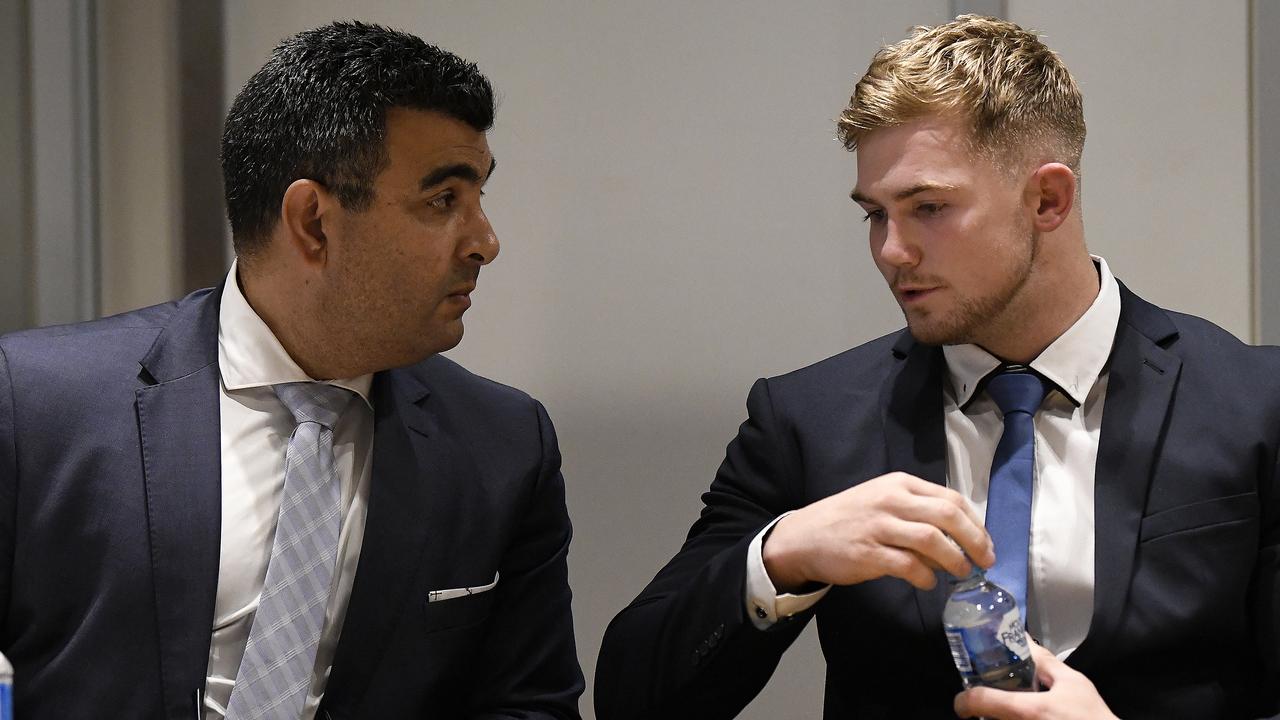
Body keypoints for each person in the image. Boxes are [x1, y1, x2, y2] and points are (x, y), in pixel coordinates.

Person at [595, 15, 1278, 720]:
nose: (891, 251)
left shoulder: (1257, 404)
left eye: (928, 208)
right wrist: (781, 554)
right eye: (874, 214)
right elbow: (631, 696)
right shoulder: (809, 421)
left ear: (1048, 199)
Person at [0, 21, 583, 719]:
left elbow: (528, 706)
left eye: (480, 197)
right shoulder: (37, 405)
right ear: (312, 222)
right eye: (443, 201)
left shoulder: (503, 445)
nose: (486, 242)